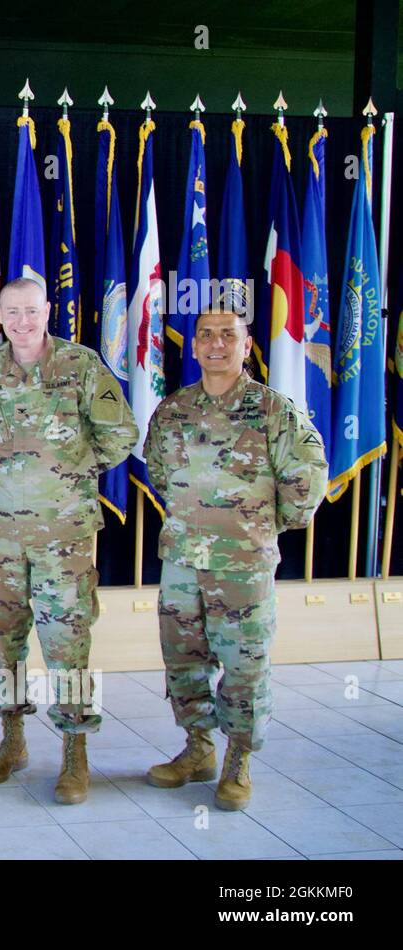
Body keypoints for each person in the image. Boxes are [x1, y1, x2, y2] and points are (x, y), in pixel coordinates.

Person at [0, 276, 138, 804]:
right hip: (0, 539)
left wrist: (75, 473)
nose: (23, 321)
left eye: (31, 310)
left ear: (47, 309)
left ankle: (75, 754)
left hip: (64, 539)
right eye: (12, 312)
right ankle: (12, 741)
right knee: (3, 645)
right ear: (1, 315)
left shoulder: (80, 366)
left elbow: (120, 433)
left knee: (68, 648)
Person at [143, 309, 327, 810]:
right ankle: (197, 748)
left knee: (244, 666)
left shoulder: (273, 411)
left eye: (229, 336)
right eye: (206, 336)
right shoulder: (172, 410)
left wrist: (258, 528)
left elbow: (305, 482)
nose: (216, 344)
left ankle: (238, 759)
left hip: (243, 564)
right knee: (183, 660)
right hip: (182, 560)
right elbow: (159, 472)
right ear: (194, 347)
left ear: (247, 347)